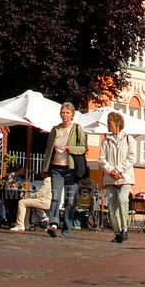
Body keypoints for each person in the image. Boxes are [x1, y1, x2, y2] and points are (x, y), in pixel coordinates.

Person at [41, 102, 87, 239]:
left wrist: (71, 149)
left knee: (70, 200)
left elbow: (84, 148)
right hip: (56, 167)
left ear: (72, 115)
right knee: (55, 196)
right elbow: (48, 149)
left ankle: (66, 229)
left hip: (71, 169)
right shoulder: (55, 129)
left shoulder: (77, 129)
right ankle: (54, 224)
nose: (65, 115)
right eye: (63, 112)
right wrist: (45, 168)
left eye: (67, 113)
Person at [98, 111, 135, 243]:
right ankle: (117, 232)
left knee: (123, 200)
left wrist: (119, 170)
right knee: (112, 207)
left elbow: (131, 158)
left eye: (110, 123)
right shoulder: (106, 141)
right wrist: (111, 171)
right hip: (110, 178)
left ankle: (125, 227)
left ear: (117, 124)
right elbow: (102, 159)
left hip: (125, 177)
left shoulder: (129, 139)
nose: (108, 126)